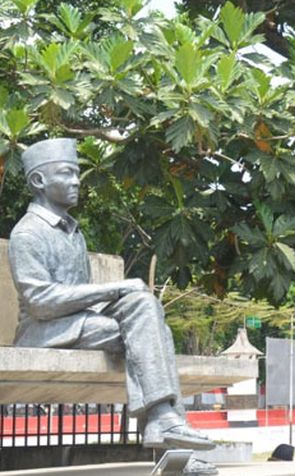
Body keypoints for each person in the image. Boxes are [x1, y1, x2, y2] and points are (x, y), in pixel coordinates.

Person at [7, 138, 213, 451]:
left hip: (77, 325)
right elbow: (41, 303)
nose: (77, 181)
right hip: (44, 331)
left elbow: (80, 294)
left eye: (77, 173)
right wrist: (117, 287)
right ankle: (167, 431)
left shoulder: (73, 232)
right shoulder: (27, 233)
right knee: (150, 332)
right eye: (66, 174)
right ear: (39, 181)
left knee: (145, 309)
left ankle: (165, 423)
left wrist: (122, 298)